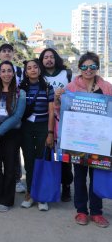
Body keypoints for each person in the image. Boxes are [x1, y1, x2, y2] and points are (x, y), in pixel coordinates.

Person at [60, 52, 111, 228]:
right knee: (80, 177)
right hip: (77, 141)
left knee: (97, 177)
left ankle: (96, 212)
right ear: (79, 68)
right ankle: (81, 211)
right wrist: (59, 97)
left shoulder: (107, 87)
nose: (88, 70)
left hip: (99, 141)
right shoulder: (71, 87)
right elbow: (61, 109)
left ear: (97, 68)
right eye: (84, 66)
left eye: (92, 66)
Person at [0, 61, 26, 212]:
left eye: (9, 71)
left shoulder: (20, 93)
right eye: (3, 71)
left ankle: (7, 200)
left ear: (13, 74)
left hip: (11, 134)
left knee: (10, 167)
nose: (6, 73)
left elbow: (17, 117)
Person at [19, 59, 54, 211]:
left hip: (42, 127)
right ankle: (30, 193)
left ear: (40, 70)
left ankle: (41, 195)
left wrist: (50, 132)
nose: (32, 70)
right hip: (25, 127)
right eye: (29, 68)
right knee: (29, 160)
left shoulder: (48, 88)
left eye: (35, 67)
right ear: (25, 72)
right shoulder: (21, 88)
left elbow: (52, 111)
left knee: (41, 160)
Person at [39, 48, 73, 202]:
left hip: (62, 120)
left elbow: (74, 93)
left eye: (51, 56)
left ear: (56, 58)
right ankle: (48, 185)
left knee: (64, 156)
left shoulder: (66, 74)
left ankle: (66, 185)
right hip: (43, 120)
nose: (49, 60)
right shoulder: (38, 75)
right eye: (45, 57)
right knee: (46, 154)